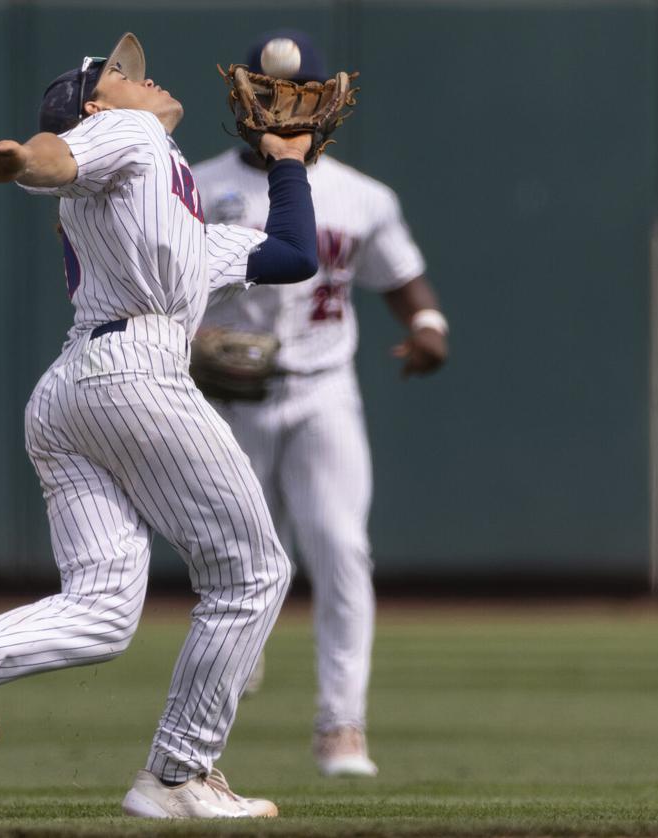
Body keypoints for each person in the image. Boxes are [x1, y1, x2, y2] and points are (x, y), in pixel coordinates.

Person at [0, 32, 321, 819]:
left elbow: (290, 253)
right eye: (121, 75)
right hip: (137, 377)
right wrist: (15, 160)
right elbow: (54, 158)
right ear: (95, 104)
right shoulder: (131, 133)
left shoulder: (176, 215)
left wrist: (287, 161)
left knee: (106, 608)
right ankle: (179, 776)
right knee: (252, 575)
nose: (139, 80)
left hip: (69, 395)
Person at [192, 30, 449, 778]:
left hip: (323, 392)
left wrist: (429, 326)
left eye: (301, 91)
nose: (286, 104)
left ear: (329, 100)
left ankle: (343, 725)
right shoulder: (198, 186)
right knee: (237, 559)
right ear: (241, 98)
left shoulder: (363, 196)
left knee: (341, 548)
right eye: (272, 92)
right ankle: (225, 690)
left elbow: (403, 278)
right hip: (227, 397)